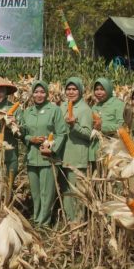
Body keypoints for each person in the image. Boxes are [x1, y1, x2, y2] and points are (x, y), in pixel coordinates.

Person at [20, 80, 66, 227]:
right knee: (35, 191)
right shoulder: (27, 112)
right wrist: (30, 139)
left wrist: (51, 147)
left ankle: (44, 222)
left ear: (47, 93)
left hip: (48, 157)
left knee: (47, 191)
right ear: (32, 93)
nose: (39, 95)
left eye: (42, 92)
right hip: (32, 157)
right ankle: (36, 216)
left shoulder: (54, 110)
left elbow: (61, 133)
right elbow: (22, 134)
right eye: (36, 92)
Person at [60, 77, 92, 222]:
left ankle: (78, 221)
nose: (71, 92)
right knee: (66, 190)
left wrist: (74, 126)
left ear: (80, 91)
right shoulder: (62, 106)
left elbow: (88, 134)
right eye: (68, 89)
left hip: (77, 156)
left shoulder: (85, 109)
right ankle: (68, 219)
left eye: (74, 89)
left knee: (77, 191)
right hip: (63, 154)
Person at [90, 78, 125, 162]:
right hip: (95, 148)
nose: (98, 92)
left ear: (108, 89)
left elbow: (123, 126)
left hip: (112, 148)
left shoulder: (118, 104)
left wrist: (103, 126)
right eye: (96, 89)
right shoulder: (95, 106)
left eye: (102, 89)